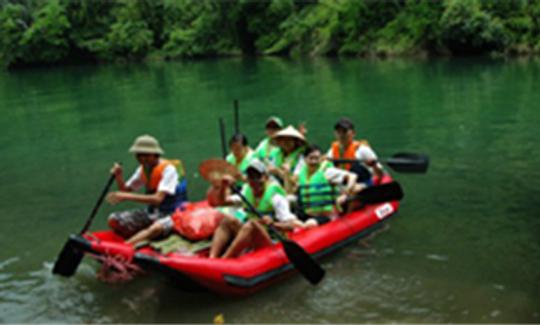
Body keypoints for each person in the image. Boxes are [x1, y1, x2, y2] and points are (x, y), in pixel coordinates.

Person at [208, 160, 302, 258]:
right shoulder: (246, 191)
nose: (255, 182)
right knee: (227, 220)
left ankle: (225, 259)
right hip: (251, 236)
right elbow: (222, 202)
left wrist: (273, 224)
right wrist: (224, 186)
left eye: (258, 177)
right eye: (251, 178)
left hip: (271, 240)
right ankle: (212, 257)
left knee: (252, 224)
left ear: (265, 177)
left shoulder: (276, 197)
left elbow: (291, 226)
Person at [106, 134, 188, 239]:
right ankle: (145, 233)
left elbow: (158, 199)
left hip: (174, 213)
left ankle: (134, 243)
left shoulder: (169, 169)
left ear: (155, 154)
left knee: (155, 229)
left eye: (146, 155)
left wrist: (125, 196)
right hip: (152, 212)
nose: (142, 158)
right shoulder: (143, 169)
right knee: (114, 220)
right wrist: (118, 175)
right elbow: (125, 190)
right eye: (139, 155)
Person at [293, 144, 364, 227]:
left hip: (327, 216)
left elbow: (353, 176)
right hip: (309, 214)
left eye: (316, 158)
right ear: (305, 159)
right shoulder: (302, 174)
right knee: (294, 219)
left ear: (321, 159)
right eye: (311, 158)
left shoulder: (328, 172)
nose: (314, 161)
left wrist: (345, 194)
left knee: (310, 223)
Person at [327, 117, 384, 185]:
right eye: (338, 132)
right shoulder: (332, 151)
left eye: (344, 131)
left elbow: (380, 174)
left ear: (353, 133)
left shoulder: (363, 150)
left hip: (362, 184)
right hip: (344, 184)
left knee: (356, 168)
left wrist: (374, 165)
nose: (341, 135)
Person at [267, 125, 307, 192]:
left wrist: (280, 173)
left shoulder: (300, 157)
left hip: (293, 190)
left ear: (295, 142)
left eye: (289, 140)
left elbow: (295, 180)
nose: (286, 142)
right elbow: (269, 170)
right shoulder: (275, 154)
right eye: (284, 140)